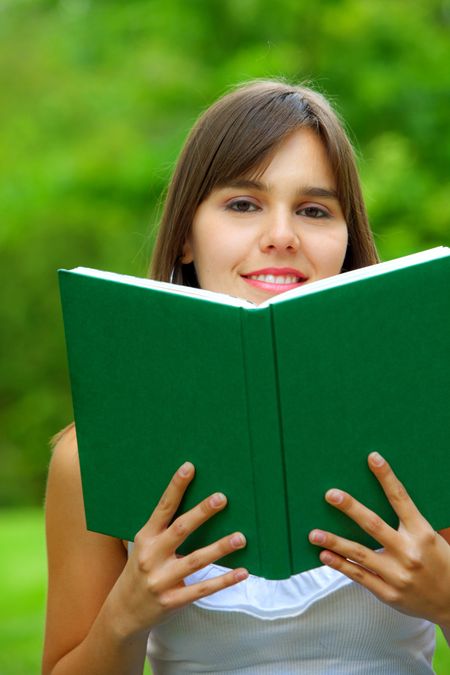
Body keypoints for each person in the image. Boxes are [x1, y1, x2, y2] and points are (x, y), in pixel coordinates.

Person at [42, 80, 450, 674]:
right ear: (185, 235)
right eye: (243, 204)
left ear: (346, 242)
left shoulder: (430, 426)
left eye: (314, 210)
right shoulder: (91, 460)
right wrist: (125, 617)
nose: (282, 235)